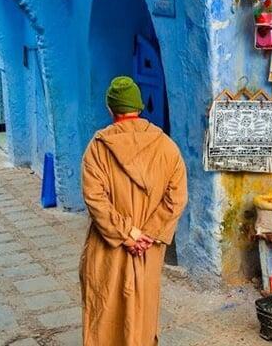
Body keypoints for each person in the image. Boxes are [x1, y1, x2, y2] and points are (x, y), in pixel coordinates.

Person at [80, 76, 188, 346]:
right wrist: (147, 234)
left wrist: (127, 233)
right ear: (139, 107)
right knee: (143, 309)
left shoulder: (97, 149)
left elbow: (95, 199)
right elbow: (177, 198)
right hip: (148, 249)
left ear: (110, 109)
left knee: (105, 310)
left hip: (109, 245)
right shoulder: (167, 147)